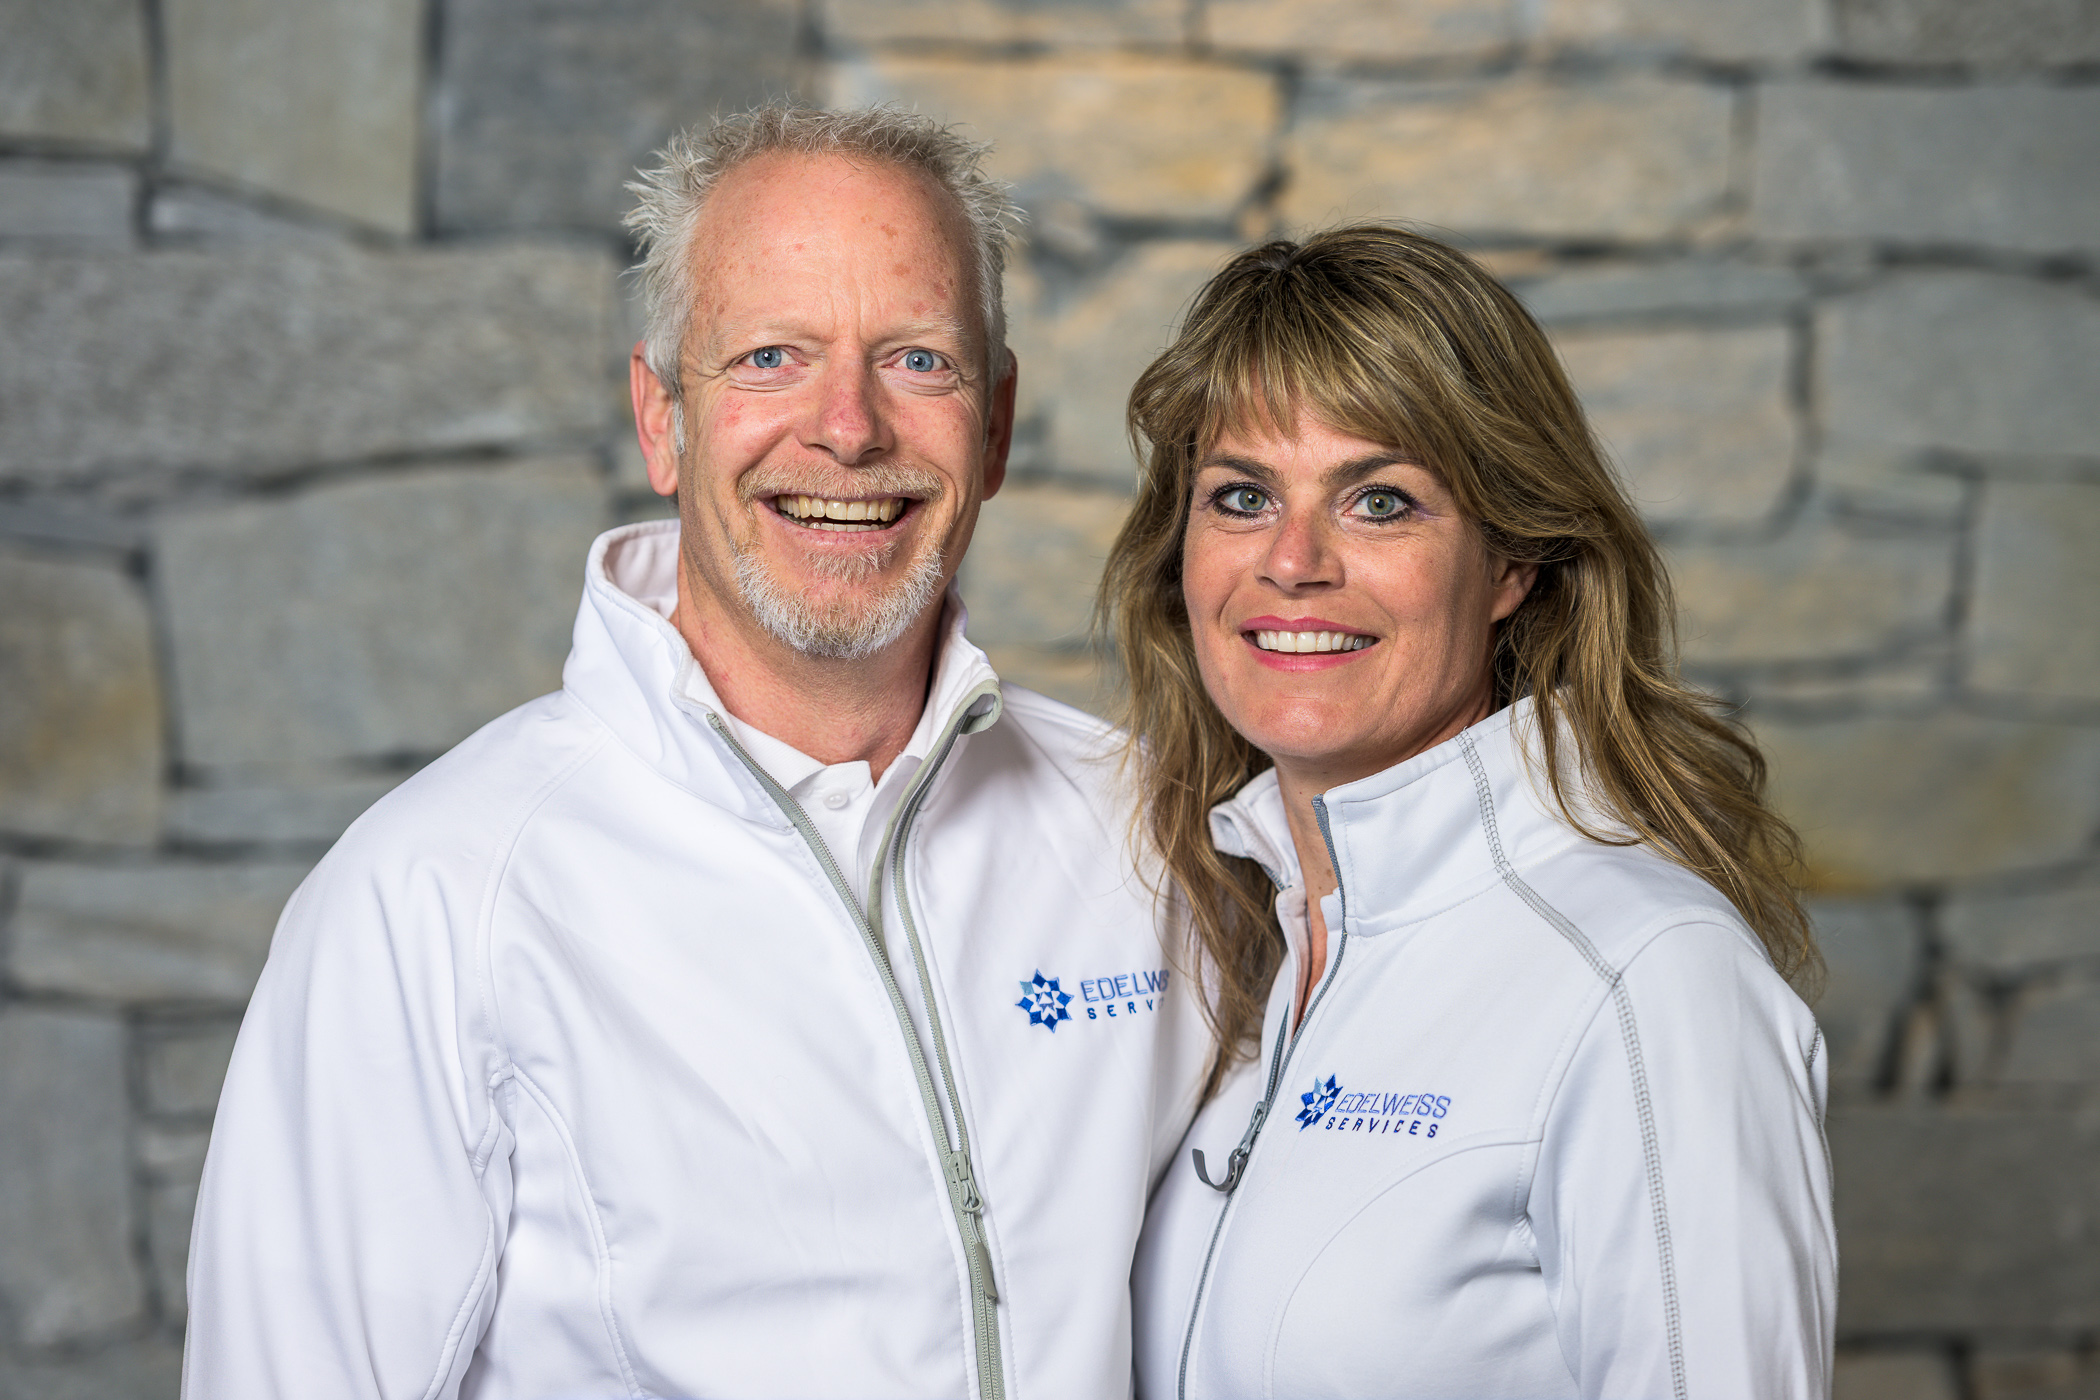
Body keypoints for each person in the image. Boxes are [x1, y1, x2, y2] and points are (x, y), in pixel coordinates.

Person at [183, 104, 1210, 1400]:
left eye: (919, 360)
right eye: (772, 357)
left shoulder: (1146, 835)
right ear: (662, 416)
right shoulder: (434, 900)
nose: (848, 428)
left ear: (996, 424)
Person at [1112, 227, 1836, 1399]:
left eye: (1380, 501)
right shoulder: (1241, 949)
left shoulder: (1647, 976)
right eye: (1242, 496)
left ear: (1512, 563)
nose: (1292, 560)